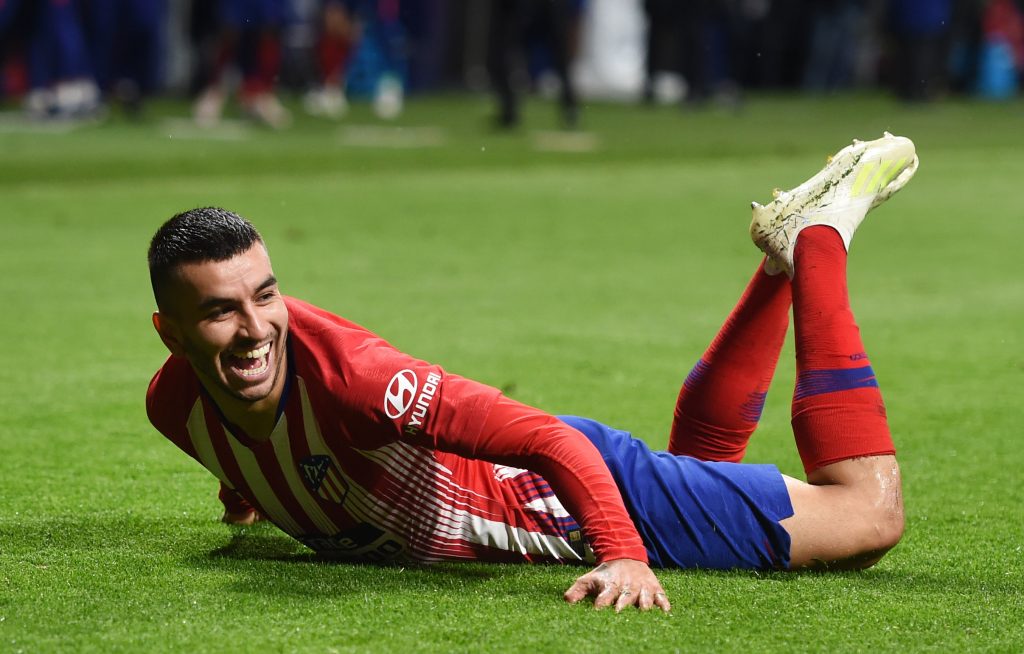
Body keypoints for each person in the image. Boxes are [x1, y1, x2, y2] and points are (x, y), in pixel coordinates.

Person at [145, 133, 918, 612]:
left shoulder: (360, 382)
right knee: (698, 470)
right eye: (221, 311)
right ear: (171, 336)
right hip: (562, 506)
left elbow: (548, 439)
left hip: (575, 499)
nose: (256, 328)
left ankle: (819, 239)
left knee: (868, 519)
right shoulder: (175, 406)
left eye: (267, 296)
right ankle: (780, 263)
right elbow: (247, 444)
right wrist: (249, 496)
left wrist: (623, 552)